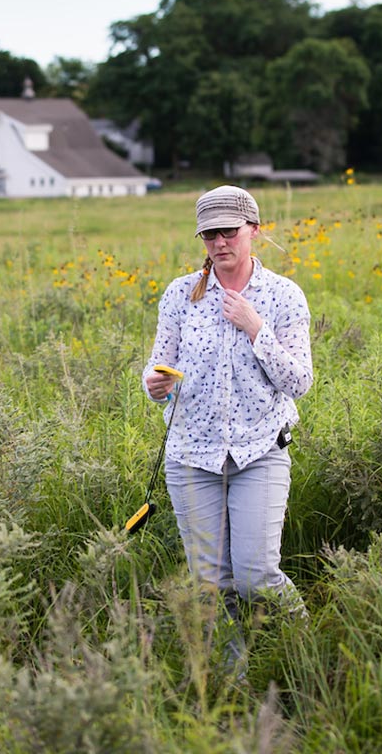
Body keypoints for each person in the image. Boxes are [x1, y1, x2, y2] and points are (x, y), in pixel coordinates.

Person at [143, 184, 313, 668]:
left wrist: (255, 327)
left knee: (256, 576)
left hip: (260, 451)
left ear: (254, 230)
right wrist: (154, 384)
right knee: (210, 585)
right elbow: (161, 367)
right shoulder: (181, 294)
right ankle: (234, 679)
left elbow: (299, 381)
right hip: (191, 456)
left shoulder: (282, 295)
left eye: (229, 232)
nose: (220, 243)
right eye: (210, 234)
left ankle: (305, 646)